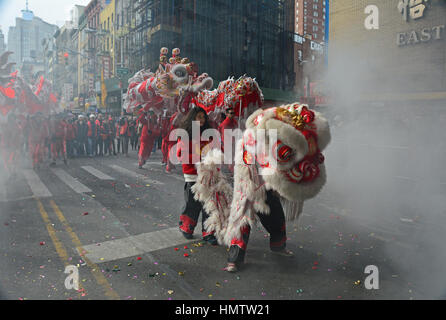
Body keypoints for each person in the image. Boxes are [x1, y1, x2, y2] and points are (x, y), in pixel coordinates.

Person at [177, 107, 218, 245]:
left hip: (207, 173)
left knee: (209, 204)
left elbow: (215, 149)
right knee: (192, 204)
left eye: (203, 117)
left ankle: (209, 232)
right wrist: (199, 157)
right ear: (192, 118)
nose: (201, 120)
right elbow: (180, 154)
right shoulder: (185, 134)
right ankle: (186, 227)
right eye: (199, 117)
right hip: (192, 174)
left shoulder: (209, 134)